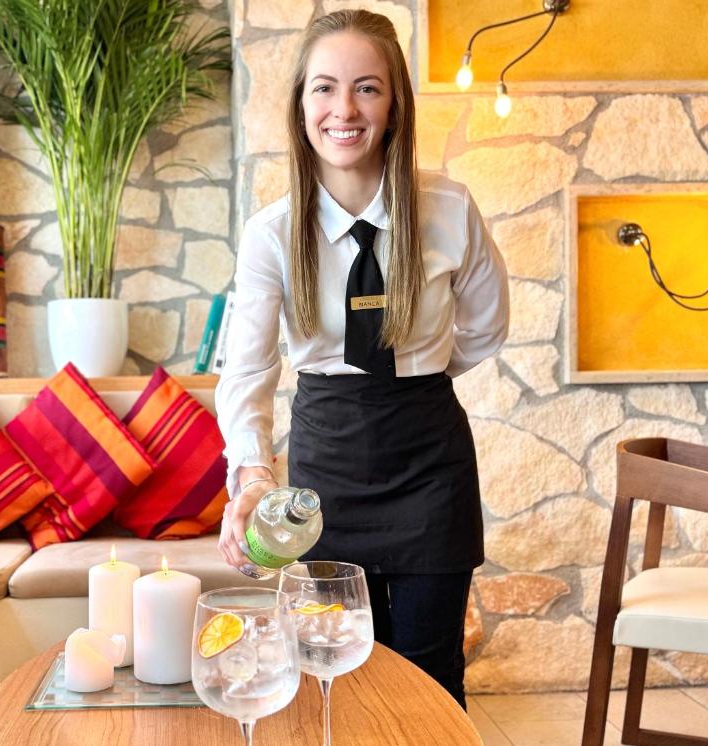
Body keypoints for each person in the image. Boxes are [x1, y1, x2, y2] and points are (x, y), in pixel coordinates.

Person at [214, 9, 509, 709]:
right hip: (327, 465)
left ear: (395, 102)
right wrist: (253, 472)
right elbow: (249, 371)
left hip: (430, 464)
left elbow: (488, 327)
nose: (344, 109)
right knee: (335, 670)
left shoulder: (449, 209)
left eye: (367, 88)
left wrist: (419, 374)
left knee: (432, 671)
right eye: (324, 88)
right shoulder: (271, 235)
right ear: (300, 104)